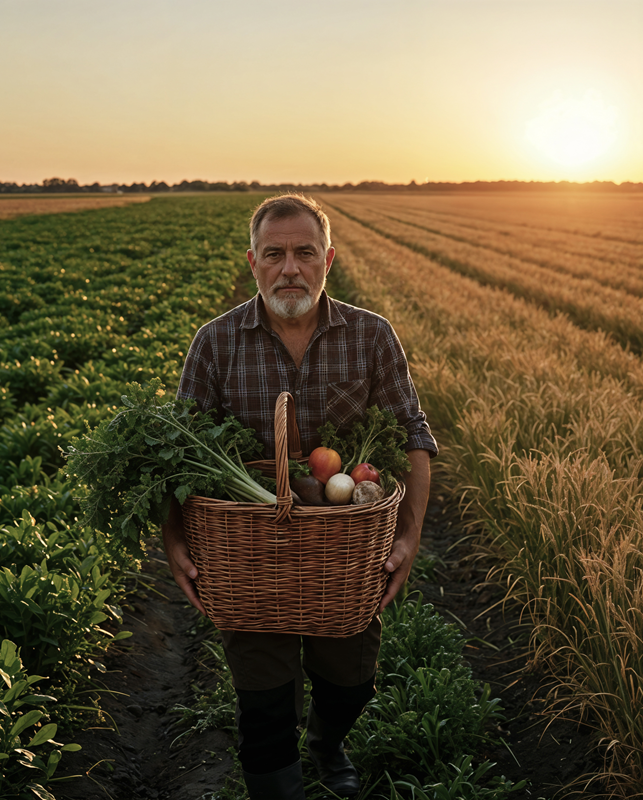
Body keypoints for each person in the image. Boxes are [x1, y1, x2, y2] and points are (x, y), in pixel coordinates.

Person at [162, 194, 436, 799]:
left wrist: (409, 536)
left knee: (349, 685)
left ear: (328, 260)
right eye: (274, 254)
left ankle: (328, 741)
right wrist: (174, 538)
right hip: (249, 556)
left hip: (344, 557)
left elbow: (414, 436)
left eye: (305, 253)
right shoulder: (215, 342)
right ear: (253, 262)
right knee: (263, 709)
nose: (290, 268)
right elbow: (176, 452)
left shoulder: (370, 336)